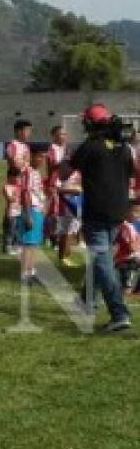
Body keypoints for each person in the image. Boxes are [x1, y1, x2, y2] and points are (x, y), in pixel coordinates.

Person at [64, 104, 134, 331]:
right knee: (99, 258)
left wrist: (65, 158)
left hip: (97, 211)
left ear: (91, 124)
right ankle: (87, 302)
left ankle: (119, 313)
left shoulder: (91, 146)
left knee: (103, 261)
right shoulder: (124, 148)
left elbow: (66, 172)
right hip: (119, 211)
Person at [2, 120, 33, 254]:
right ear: (19, 131)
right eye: (27, 130)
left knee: (22, 213)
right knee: (11, 214)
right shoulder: (12, 145)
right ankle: (8, 242)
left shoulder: (26, 147)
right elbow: (14, 164)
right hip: (14, 183)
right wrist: (22, 168)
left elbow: (27, 165)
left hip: (25, 184)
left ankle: (16, 241)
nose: (29, 133)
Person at [17, 149, 47, 284]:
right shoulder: (28, 172)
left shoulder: (36, 172)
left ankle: (31, 271)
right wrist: (28, 215)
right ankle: (24, 274)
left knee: (34, 244)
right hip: (31, 210)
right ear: (32, 157)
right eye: (38, 157)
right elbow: (25, 193)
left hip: (37, 210)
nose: (41, 160)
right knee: (28, 244)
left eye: (43, 157)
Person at [46, 125, 73, 264]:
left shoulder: (67, 148)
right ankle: (50, 237)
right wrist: (64, 161)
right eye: (60, 134)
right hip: (55, 184)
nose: (63, 136)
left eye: (64, 134)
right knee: (54, 213)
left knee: (63, 213)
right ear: (54, 136)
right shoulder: (52, 149)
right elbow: (52, 167)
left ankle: (56, 239)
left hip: (66, 184)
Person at [112, 200, 140, 292]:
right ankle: (129, 287)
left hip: (128, 257)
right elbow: (132, 248)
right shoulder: (126, 227)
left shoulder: (130, 226)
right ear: (125, 212)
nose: (137, 215)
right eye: (135, 211)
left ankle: (133, 287)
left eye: (139, 212)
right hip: (124, 259)